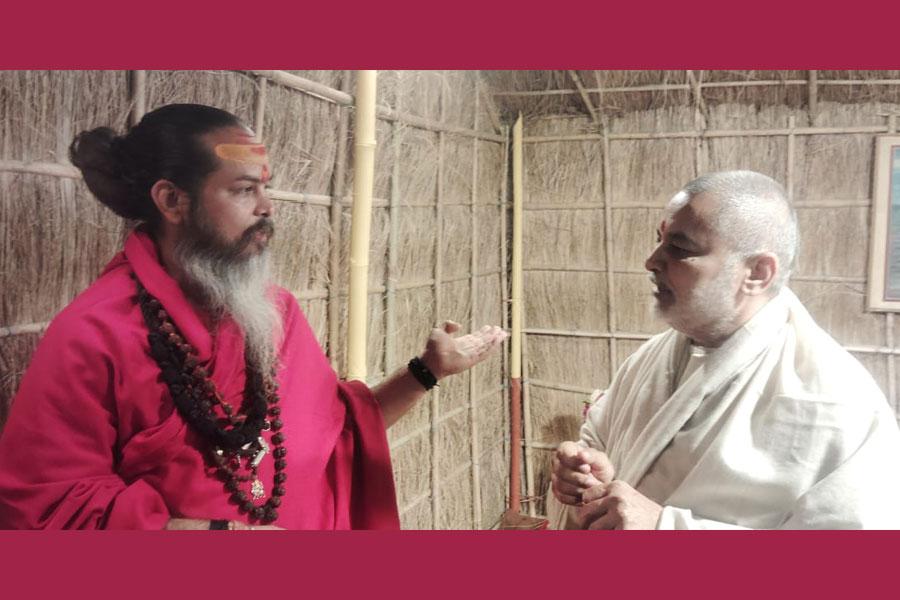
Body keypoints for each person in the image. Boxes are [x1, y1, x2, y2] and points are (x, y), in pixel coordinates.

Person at [0, 104, 506, 530]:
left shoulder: (273, 312)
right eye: (244, 190)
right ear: (172, 200)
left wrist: (428, 371)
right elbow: (50, 508)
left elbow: (336, 438)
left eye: (265, 187)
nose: (268, 207)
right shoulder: (93, 335)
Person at [550, 170, 900, 529]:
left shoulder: (837, 403)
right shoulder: (650, 359)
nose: (652, 261)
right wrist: (589, 467)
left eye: (680, 248)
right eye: (659, 239)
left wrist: (665, 527)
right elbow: (599, 438)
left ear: (757, 273)